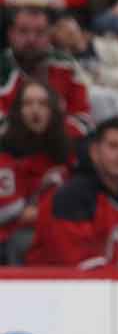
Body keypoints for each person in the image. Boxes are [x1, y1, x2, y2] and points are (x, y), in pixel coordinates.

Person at [27, 117, 118, 268]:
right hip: (58, 289)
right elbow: (80, 264)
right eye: (113, 146)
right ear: (94, 152)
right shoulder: (69, 197)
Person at [0, 77, 70, 260]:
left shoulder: (65, 151)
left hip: (57, 231)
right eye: (28, 103)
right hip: (13, 238)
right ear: (17, 111)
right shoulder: (4, 153)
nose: (35, 109)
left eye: (43, 103)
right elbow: (13, 215)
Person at [0, 5, 92, 139]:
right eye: (23, 31)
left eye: (39, 32)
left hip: (59, 146)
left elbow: (83, 119)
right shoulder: (2, 66)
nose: (31, 39)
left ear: (50, 35)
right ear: (10, 34)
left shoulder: (66, 65)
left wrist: (48, 132)